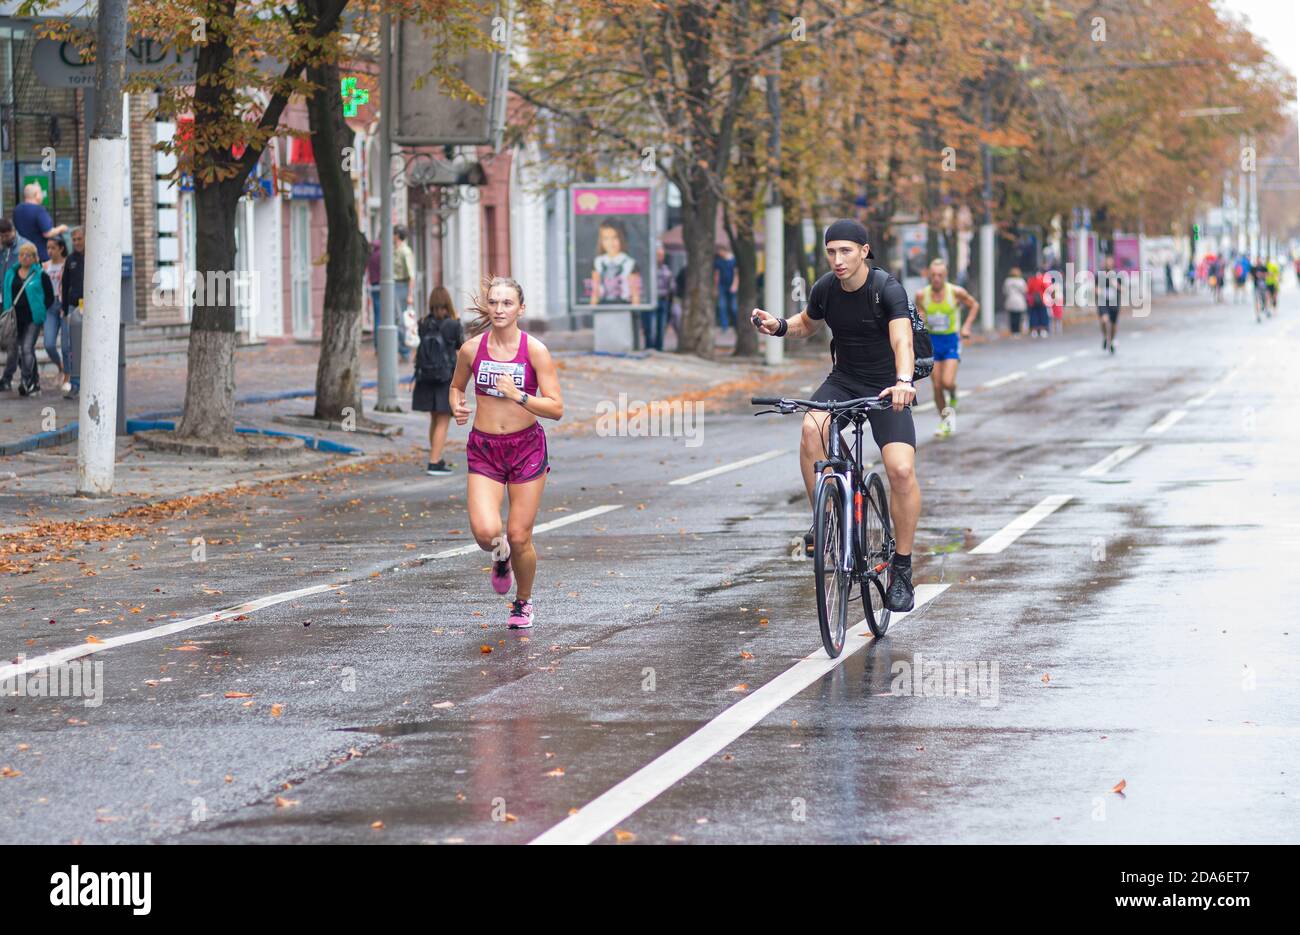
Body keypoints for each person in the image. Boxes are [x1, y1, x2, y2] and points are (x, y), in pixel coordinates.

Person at [751, 218, 920, 613]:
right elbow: (807, 323)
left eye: (846, 251)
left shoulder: (886, 290)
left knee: (900, 471)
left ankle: (904, 567)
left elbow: (902, 339)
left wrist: (903, 380)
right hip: (844, 380)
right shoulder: (826, 288)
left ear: (864, 251)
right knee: (812, 428)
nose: (838, 260)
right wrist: (778, 326)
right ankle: (827, 523)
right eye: (831, 252)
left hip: (886, 387)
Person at [450, 277, 564, 630]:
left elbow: (557, 407)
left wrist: (519, 396)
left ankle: (523, 602)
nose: (499, 309)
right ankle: (501, 558)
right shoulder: (471, 349)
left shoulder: (535, 351)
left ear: (520, 309)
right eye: (494, 302)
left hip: (526, 447)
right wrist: (457, 406)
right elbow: (456, 387)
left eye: (507, 303)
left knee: (519, 535)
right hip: (484, 448)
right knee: (487, 534)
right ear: (487, 306)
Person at [915, 259, 979, 439]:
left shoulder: (956, 292)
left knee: (947, 382)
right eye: (933, 275)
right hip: (932, 342)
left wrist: (966, 326)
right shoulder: (922, 295)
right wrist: (921, 317)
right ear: (929, 275)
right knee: (936, 385)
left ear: (945, 276)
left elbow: (974, 305)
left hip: (951, 341)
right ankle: (946, 421)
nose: (936, 279)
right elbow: (919, 314)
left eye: (940, 275)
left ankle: (953, 392)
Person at [413, 285, 464, 476]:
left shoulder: (423, 323)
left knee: (435, 419)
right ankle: (434, 462)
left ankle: (436, 455)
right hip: (444, 378)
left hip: (425, 377)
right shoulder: (453, 324)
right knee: (443, 419)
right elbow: (461, 346)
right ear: (448, 302)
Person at [1, 243, 56, 396]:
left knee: (26, 348)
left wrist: (40, 309)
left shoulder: (40, 274)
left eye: (28, 255)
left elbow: (50, 296)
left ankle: (26, 381)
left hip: (33, 318)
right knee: (16, 350)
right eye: (22, 255)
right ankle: (33, 380)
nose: (24, 257)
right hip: (15, 319)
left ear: (34, 258)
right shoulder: (11, 274)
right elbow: (6, 293)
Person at [589, 219, 640, 305]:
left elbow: (635, 294)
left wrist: (635, 312)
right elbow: (595, 292)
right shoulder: (597, 262)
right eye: (606, 238)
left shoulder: (630, 263)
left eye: (615, 237)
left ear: (622, 238)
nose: (610, 243)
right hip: (602, 306)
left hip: (624, 306)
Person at [13, 183, 67, 263]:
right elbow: (48, 233)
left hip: (23, 254)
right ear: (36, 195)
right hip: (40, 256)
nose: (42, 195)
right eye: (41, 193)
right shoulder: (39, 210)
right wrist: (61, 228)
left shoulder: (17, 210)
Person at [60, 227, 84, 398]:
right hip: (72, 307)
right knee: (69, 346)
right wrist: (64, 307)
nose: (76, 242)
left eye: (79, 238)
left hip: (90, 308)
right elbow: (65, 283)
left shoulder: (95, 257)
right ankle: (74, 383)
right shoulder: (70, 260)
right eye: (73, 239)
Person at [42, 236, 68, 387]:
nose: (49, 251)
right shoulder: (45, 266)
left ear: (61, 248)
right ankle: (61, 367)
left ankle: (68, 375)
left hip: (64, 305)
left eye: (53, 248)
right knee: (49, 343)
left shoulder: (67, 264)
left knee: (66, 345)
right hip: (50, 306)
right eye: (48, 248)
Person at [392, 227, 414, 362]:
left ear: (397, 236)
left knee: (401, 320)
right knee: (395, 319)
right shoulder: (395, 250)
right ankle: (401, 349)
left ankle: (405, 351)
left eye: (393, 234)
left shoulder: (405, 252)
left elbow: (411, 275)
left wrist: (410, 294)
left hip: (402, 286)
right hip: (394, 286)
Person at [644, 245, 672, 351]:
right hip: (649, 300)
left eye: (662, 255)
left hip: (662, 299)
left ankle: (659, 347)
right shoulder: (647, 269)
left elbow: (670, 286)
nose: (660, 257)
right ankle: (649, 346)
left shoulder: (666, 270)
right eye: (658, 255)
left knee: (661, 325)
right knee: (649, 325)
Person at [1097, 255, 1120, 354]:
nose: (1108, 264)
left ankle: (1112, 340)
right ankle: (1106, 337)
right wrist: (1098, 291)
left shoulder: (1117, 275)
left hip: (1114, 303)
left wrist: (1116, 285)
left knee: (1114, 324)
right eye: (1107, 262)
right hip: (1103, 302)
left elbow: (1123, 289)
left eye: (1110, 262)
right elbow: (1095, 287)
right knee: (1104, 320)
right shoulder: (1099, 275)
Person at [714, 245, 738, 331]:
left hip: (731, 285)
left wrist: (734, 285)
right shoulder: (719, 261)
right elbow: (717, 275)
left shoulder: (733, 260)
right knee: (722, 306)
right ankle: (725, 326)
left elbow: (736, 274)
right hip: (722, 286)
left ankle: (736, 325)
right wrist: (716, 288)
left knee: (734, 307)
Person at [1003, 266, 1028, 337]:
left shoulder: (1007, 281)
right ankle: (1017, 331)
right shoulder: (1021, 281)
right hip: (1019, 300)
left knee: (1012, 317)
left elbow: (1005, 291)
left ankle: (1013, 331)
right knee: (1018, 317)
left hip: (1010, 300)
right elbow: (1025, 290)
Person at [366, 239, 382, 353]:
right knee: (384, 318)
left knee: (377, 317)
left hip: (373, 287)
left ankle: (377, 345)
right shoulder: (382, 255)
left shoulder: (370, 257)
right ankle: (383, 344)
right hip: (383, 288)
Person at [1026, 266, 1049, 337]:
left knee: (1033, 315)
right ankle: (1043, 330)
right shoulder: (1042, 279)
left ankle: (1034, 330)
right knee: (1042, 315)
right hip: (1042, 300)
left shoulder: (1030, 280)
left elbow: (1028, 290)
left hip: (1033, 301)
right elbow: (1046, 288)